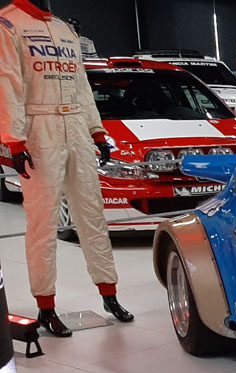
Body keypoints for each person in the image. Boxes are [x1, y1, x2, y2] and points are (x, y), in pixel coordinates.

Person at [0, 0, 133, 336]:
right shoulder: (8, 25)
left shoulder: (64, 29)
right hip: (39, 128)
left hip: (75, 125)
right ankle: (46, 305)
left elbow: (82, 85)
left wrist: (97, 131)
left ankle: (109, 293)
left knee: (92, 214)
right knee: (43, 223)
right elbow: (7, 82)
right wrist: (14, 140)